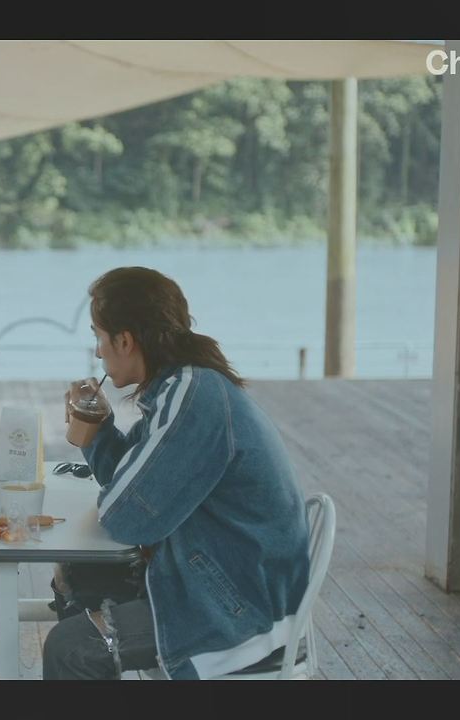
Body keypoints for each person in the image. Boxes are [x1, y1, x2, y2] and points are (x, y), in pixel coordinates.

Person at [43, 266, 311, 680]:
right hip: (228, 581)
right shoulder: (183, 386)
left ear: (125, 340)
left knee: (71, 648)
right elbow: (135, 485)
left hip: (242, 614)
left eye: (99, 337)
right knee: (78, 575)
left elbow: (127, 517)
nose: (97, 353)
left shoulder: (193, 396)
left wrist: (103, 453)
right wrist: (98, 429)